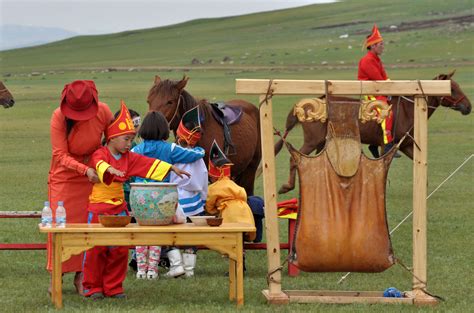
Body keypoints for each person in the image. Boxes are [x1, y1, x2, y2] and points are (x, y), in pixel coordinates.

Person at [82, 101, 189, 299]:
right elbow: (98, 164)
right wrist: (109, 169)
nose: (130, 144)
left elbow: (146, 164)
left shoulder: (129, 157)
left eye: (132, 139)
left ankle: (113, 288)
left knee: (120, 249)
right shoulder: (101, 153)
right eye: (126, 139)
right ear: (112, 138)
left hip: (120, 209)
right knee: (96, 248)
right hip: (99, 209)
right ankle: (93, 287)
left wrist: (170, 168)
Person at [47, 80, 113, 295]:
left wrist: (102, 165)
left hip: (93, 174)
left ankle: (82, 276)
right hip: (65, 176)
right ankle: (56, 275)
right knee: (60, 225)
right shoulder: (58, 116)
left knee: (89, 225)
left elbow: (113, 141)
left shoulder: (103, 111)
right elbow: (59, 154)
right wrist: (84, 170)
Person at [130, 109, 205, 279]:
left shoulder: (136, 150)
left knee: (142, 234)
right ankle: (155, 271)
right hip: (162, 199)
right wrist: (201, 149)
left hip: (139, 199)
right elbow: (192, 155)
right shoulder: (169, 148)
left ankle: (142, 270)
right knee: (160, 234)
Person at [167, 106, 209, 278]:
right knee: (191, 236)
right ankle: (189, 270)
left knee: (171, 234)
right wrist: (204, 200)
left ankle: (176, 266)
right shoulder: (198, 158)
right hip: (195, 203)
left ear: (178, 136)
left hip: (175, 201)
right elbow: (204, 181)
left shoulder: (173, 155)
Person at [358, 24, 397, 155]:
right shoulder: (367, 60)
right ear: (373, 46)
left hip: (378, 89)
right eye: (381, 44)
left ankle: (374, 144)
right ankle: (387, 144)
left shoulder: (376, 59)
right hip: (371, 92)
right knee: (386, 112)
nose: (383, 46)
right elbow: (379, 79)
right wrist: (388, 84)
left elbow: (384, 77)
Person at [205, 140, 256, 242]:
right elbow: (244, 196)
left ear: (214, 176)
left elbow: (209, 206)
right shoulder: (235, 185)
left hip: (229, 214)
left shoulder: (213, 188)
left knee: (229, 239)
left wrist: (216, 211)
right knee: (241, 236)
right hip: (245, 212)